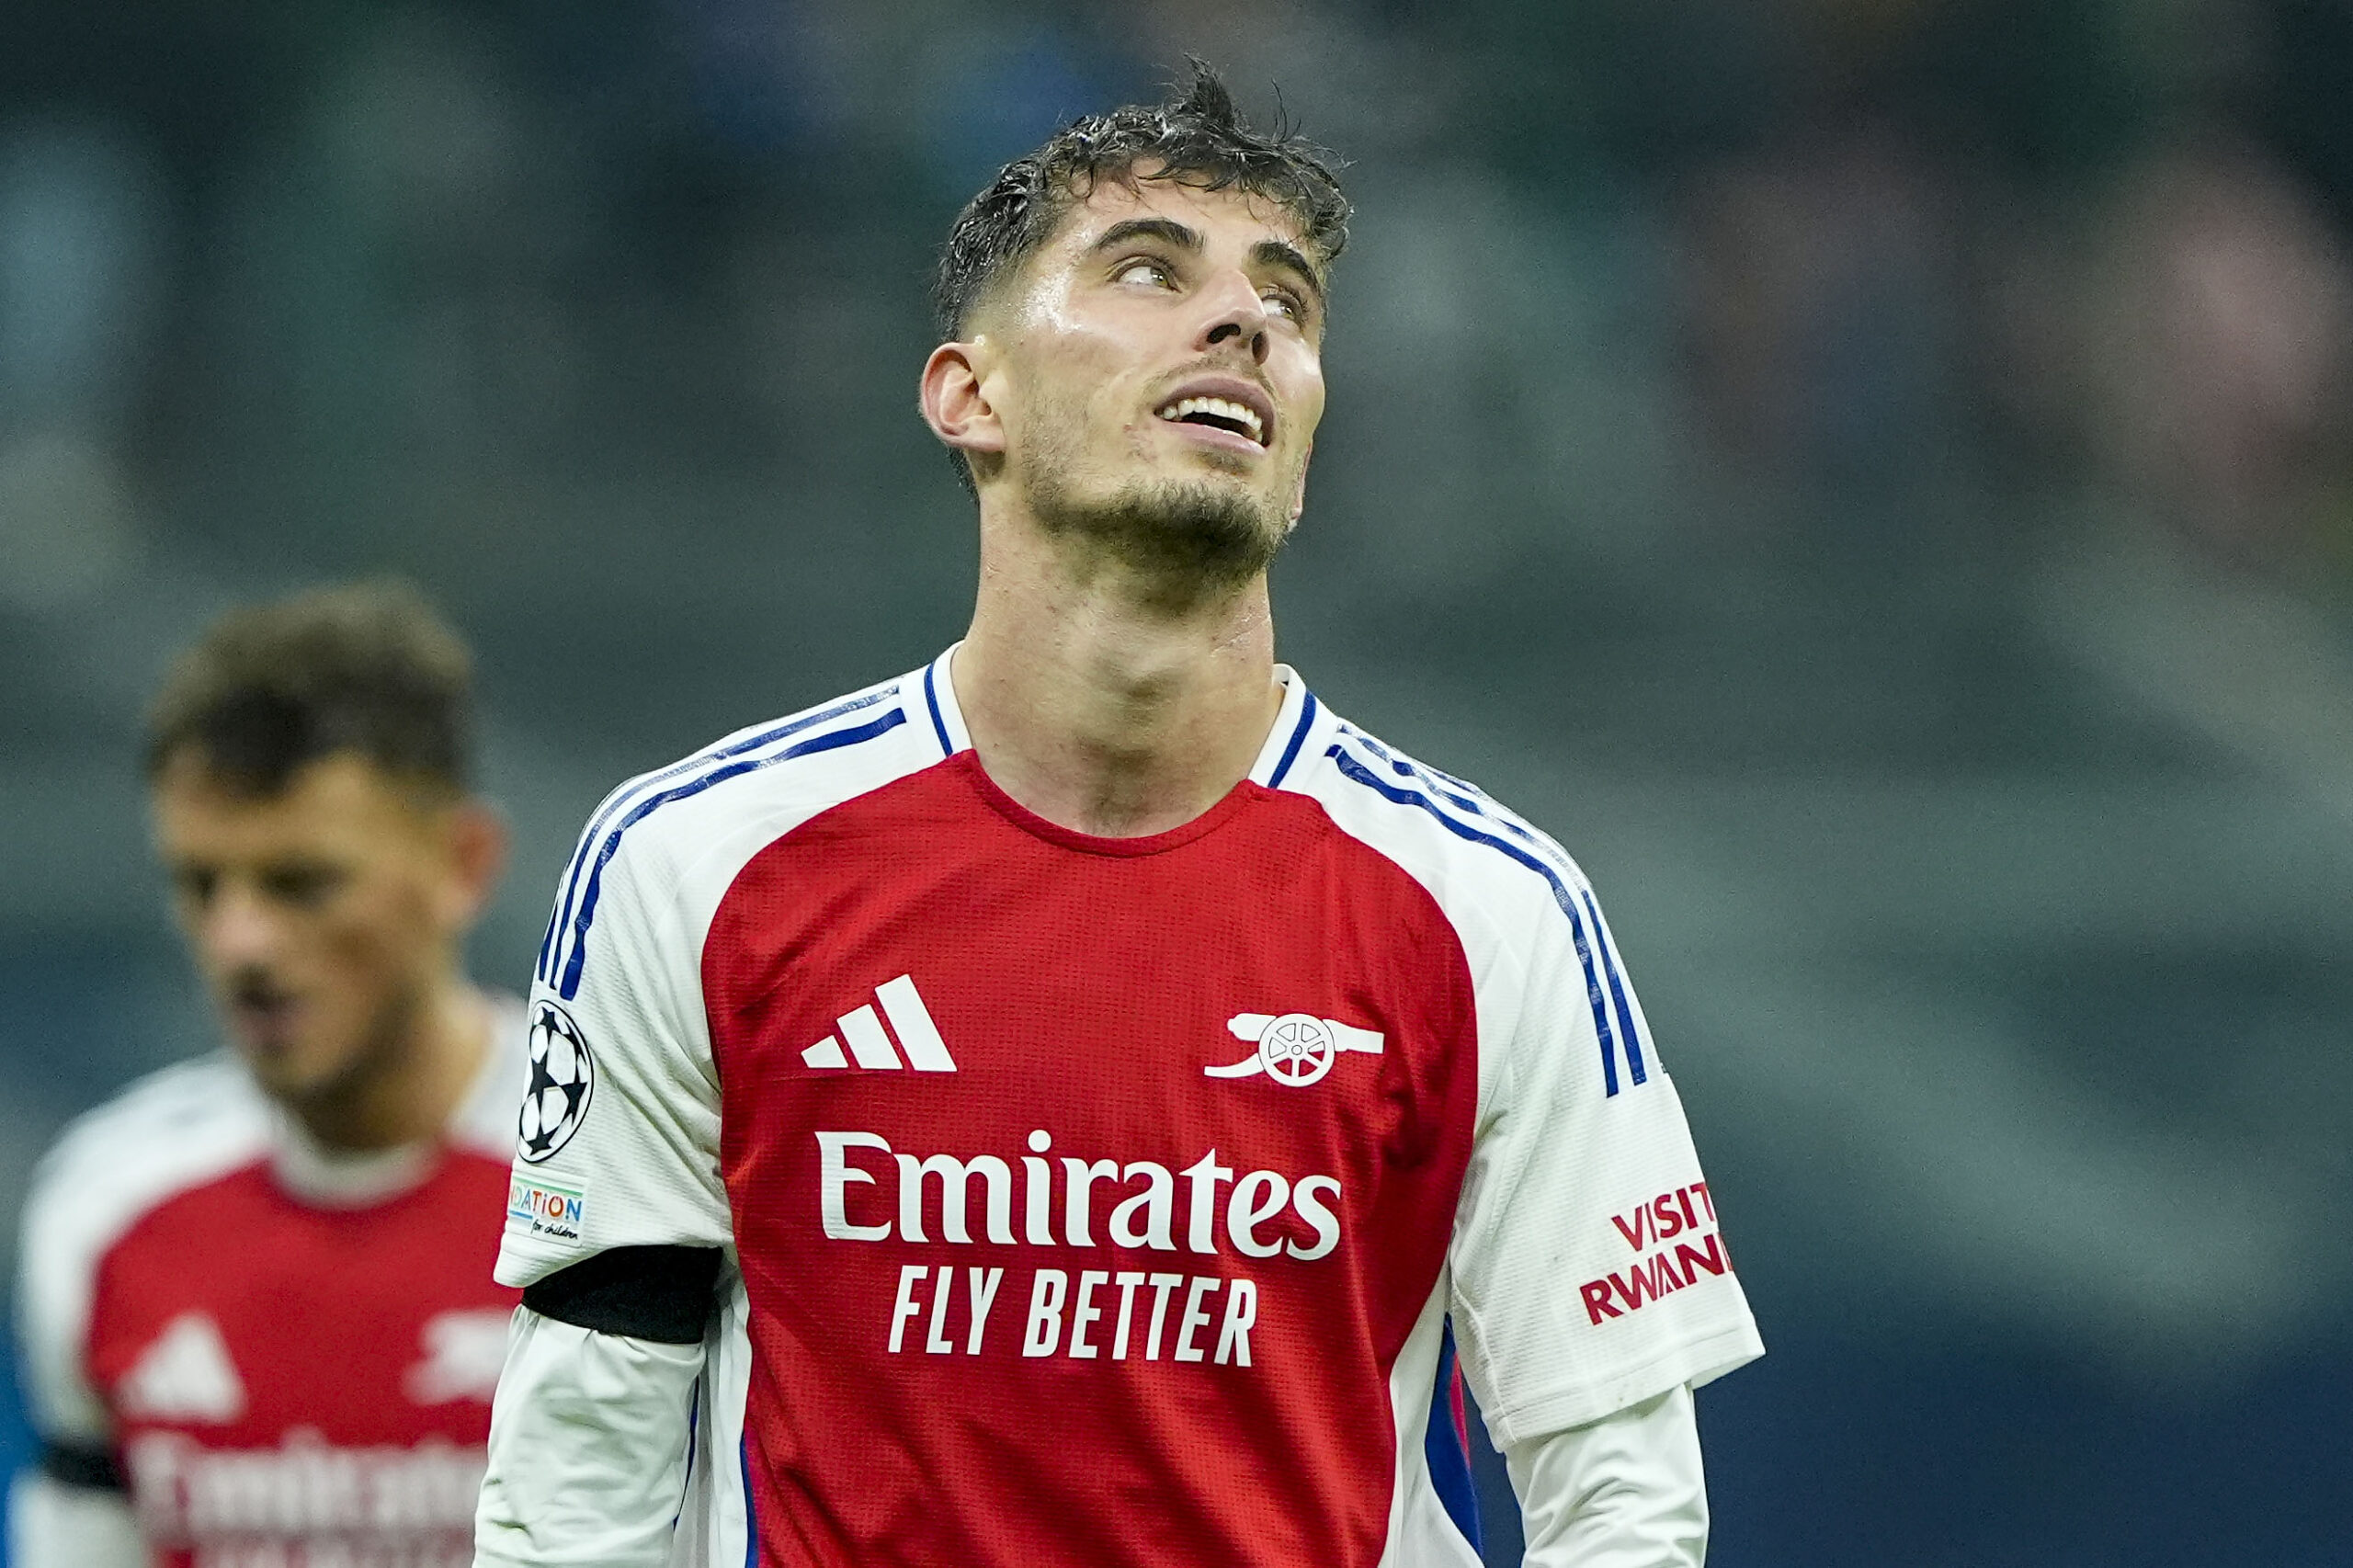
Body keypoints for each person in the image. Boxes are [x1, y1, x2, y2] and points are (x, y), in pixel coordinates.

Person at [475, 64, 1763, 1568]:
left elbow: (1625, 1503)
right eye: (1150, 271)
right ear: (970, 395)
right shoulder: (695, 868)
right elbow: (580, 1485)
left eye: (1286, 300)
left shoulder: (1490, 911)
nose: (1245, 321)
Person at [11, 581, 528, 1568]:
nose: (239, 942)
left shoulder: (624, 1177)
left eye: (302, 882)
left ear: (463, 863)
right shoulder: (103, 1204)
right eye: (202, 884)